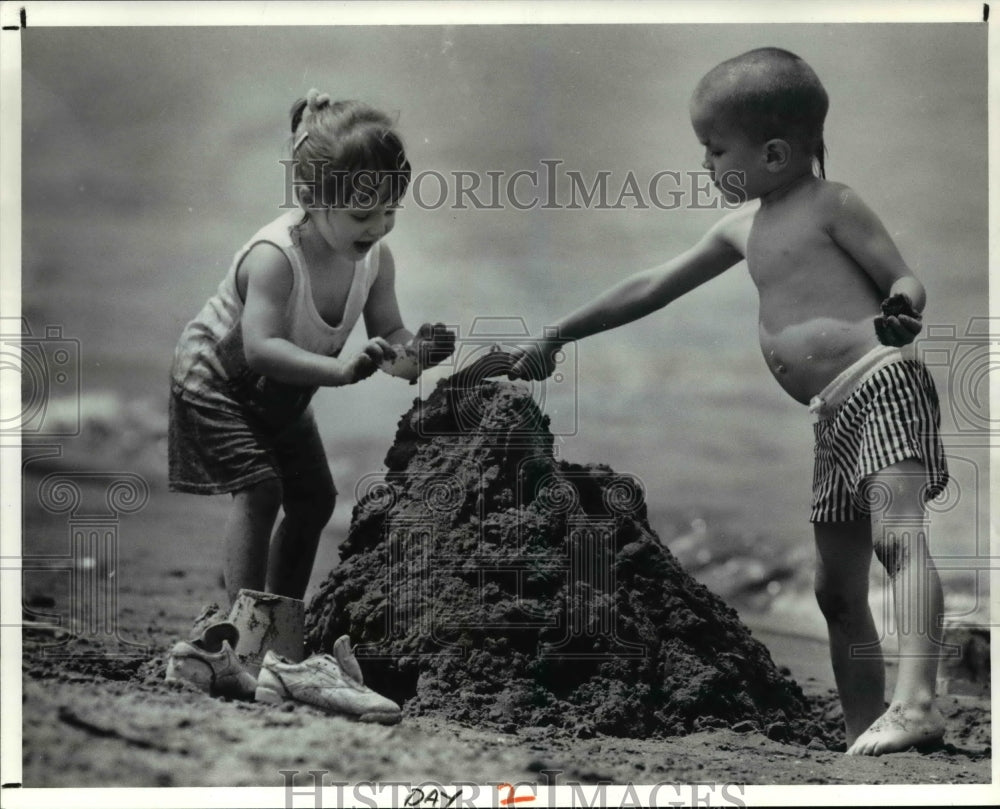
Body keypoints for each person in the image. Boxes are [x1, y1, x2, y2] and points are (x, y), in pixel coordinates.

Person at [509, 48, 950, 756]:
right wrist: (562, 332)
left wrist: (902, 306)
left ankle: (919, 699)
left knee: (901, 540)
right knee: (835, 591)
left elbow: (904, 278)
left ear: (774, 153)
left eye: (715, 151)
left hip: (881, 380)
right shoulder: (742, 227)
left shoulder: (831, 205)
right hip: (830, 417)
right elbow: (652, 283)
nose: (705, 166)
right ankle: (866, 729)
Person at [169, 89, 455, 607]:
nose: (378, 226)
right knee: (261, 491)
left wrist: (418, 355)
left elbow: (389, 336)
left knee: (315, 499)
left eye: (390, 210)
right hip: (215, 378)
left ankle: (282, 625)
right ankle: (246, 632)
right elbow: (258, 349)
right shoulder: (276, 258)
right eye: (362, 213)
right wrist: (340, 370)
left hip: (283, 387)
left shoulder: (375, 262)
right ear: (311, 199)